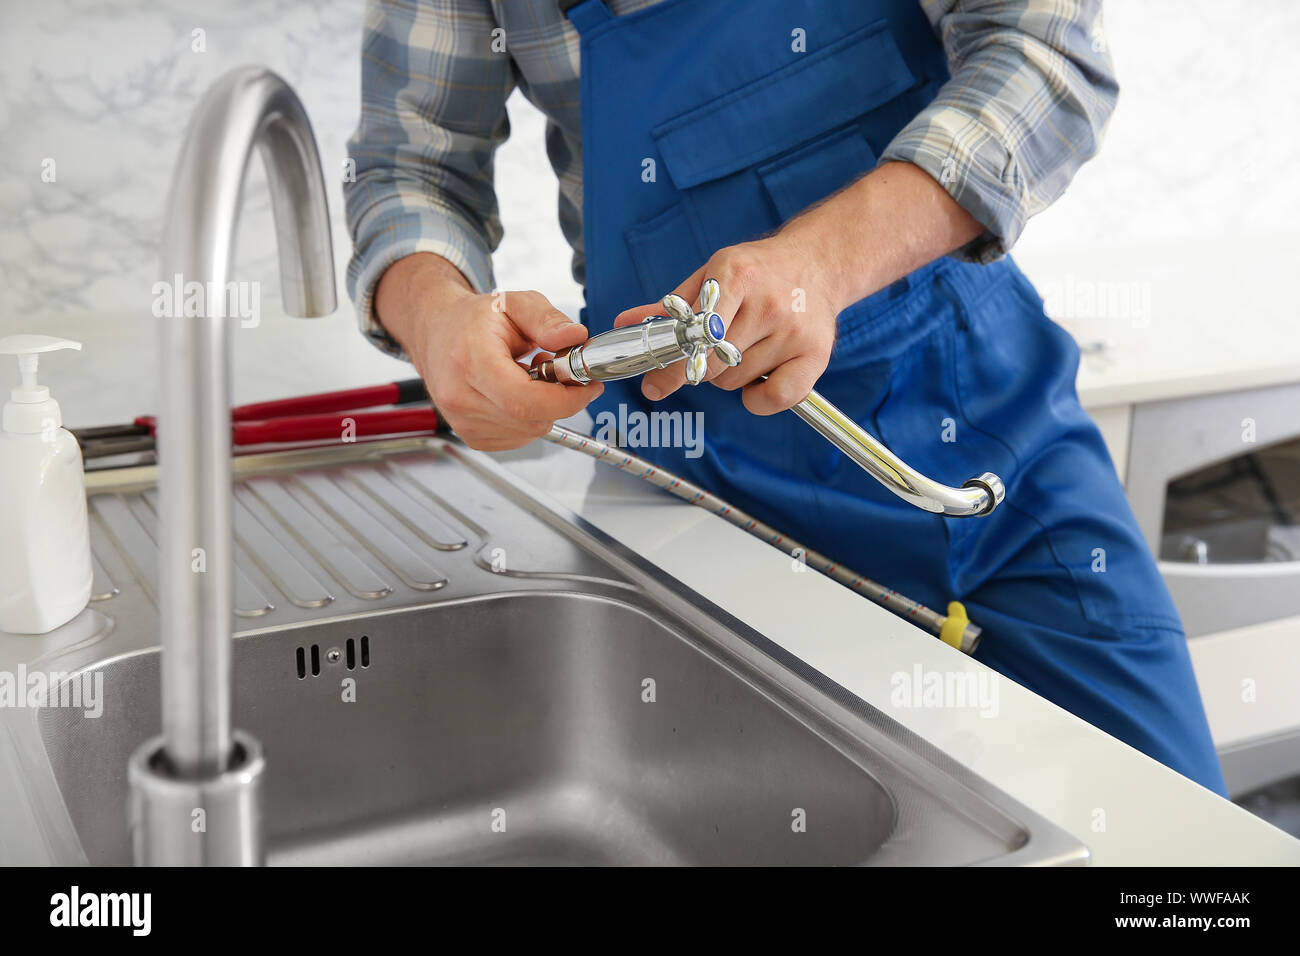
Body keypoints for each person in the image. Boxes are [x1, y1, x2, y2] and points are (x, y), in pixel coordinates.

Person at [344, 0, 1228, 795]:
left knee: (1186, 857)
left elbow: (1049, 46)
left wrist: (823, 261)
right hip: (703, 499)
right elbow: (409, 169)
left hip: (999, 443)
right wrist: (440, 319)